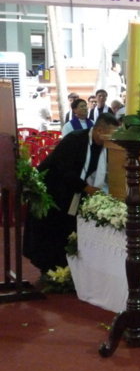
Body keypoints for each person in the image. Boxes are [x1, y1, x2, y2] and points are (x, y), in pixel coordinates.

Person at [23, 114, 120, 273]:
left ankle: (65, 270)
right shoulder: (75, 140)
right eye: (111, 134)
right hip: (52, 188)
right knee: (50, 231)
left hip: (73, 190)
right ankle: (50, 271)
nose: (113, 139)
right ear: (99, 131)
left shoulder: (105, 147)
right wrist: (87, 188)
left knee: (67, 229)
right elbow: (63, 169)